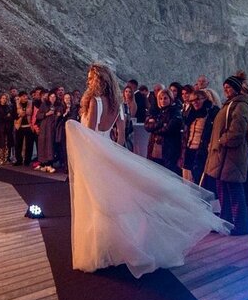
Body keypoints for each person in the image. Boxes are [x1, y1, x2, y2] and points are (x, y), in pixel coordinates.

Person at [68, 63, 229, 277]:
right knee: (112, 204)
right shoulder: (117, 103)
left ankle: (102, 252)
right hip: (109, 152)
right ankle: (112, 250)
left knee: (97, 204)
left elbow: (89, 133)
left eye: (91, 78)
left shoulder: (95, 101)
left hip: (95, 155)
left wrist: (73, 128)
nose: (88, 81)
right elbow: (121, 135)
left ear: (99, 80)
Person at [205, 75, 248, 235]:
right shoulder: (231, 104)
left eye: (229, 87)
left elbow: (237, 130)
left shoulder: (240, 105)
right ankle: (225, 222)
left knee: (233, 189)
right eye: (224, 87)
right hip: (222, 154)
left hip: (231, 154)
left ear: (236, 88)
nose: (226, 90)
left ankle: (240, 225)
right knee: (223, 189)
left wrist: (221, 140)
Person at [182, 89, 217, 187]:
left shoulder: (211, 113)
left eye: (197, 99)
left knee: (200, 181)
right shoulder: (191, 113)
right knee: (188, 180)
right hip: (189, 149)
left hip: (202, 150)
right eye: (192, 100)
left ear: (205, 99)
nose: (195, 102)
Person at [144, 88, 184, 173]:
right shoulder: (157, 112)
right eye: (160, 99)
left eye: (165, 98)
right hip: (155, 148)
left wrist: (155, 128)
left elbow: (169, 128)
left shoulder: (175, 112)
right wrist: (161, 123)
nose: (163, 101)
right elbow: (147, 126)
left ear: (170, 98)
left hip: (169, 149)